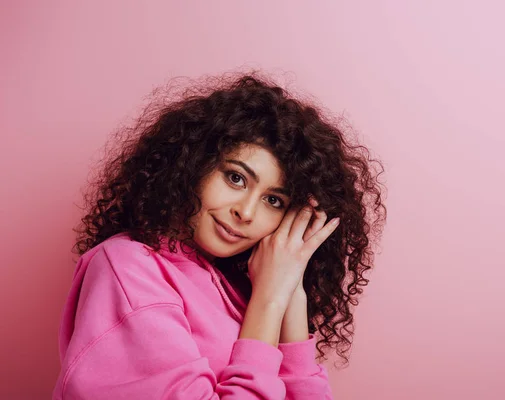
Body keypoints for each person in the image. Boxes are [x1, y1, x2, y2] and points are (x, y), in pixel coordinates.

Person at [53, 73, 386, 399]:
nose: (247, 212)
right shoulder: (128, 269)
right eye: (236, 178)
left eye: (273, 200)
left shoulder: (233, 286)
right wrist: (269, 299)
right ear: (195, 165)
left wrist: (290, 293)